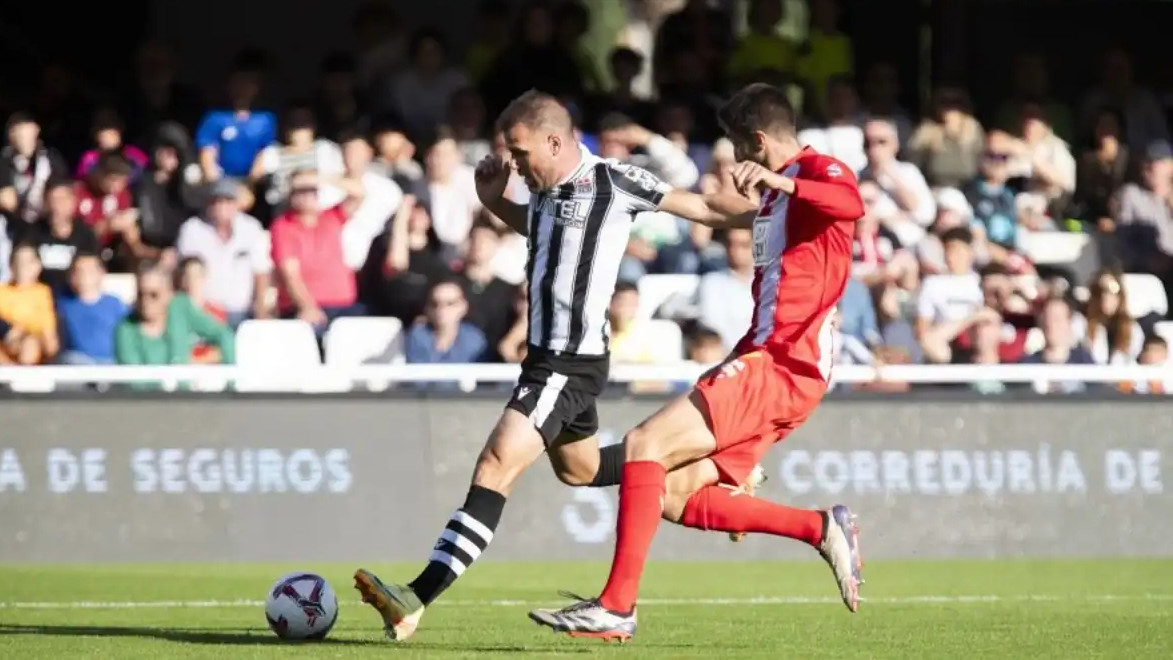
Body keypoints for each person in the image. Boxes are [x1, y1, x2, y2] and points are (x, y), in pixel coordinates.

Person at [351, 89, 762, 643]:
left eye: (520, 155)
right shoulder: (543, 191)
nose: (516, 166)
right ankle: (715, 461)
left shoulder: (615, 181)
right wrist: (497, 202)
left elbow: (707, 210)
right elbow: (541, 228)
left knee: (496, 463)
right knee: (581, 470)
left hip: (569, 362)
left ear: (553, 140)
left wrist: (759, 204)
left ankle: (414, 597)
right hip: (546, 359)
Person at [528, 83, 865, 640]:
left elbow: (851, 204)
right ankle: (820, 528)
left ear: (759, 140)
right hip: (767, 359)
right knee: (677, 497)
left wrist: (782, 179)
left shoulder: (820, 170)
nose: (732, 159)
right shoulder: (778, 199)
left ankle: (616, 607)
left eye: (736, 146)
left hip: (785, 362)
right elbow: (728, 213)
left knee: (644, 446)